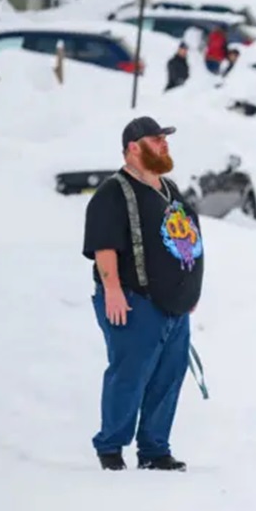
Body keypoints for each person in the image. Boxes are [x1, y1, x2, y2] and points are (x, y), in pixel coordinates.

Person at [82, 116, 205, 472]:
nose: (164, 145)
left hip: (174, 308)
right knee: (130, 374)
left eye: (165, 139)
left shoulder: (167, 188)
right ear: (133, 148)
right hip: (135, 302)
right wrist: (113, 292)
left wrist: (188, 289)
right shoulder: (114, 193)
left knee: (168, 376)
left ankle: (154, 449)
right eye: (156, 140)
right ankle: (111, 447)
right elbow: (104, 247)